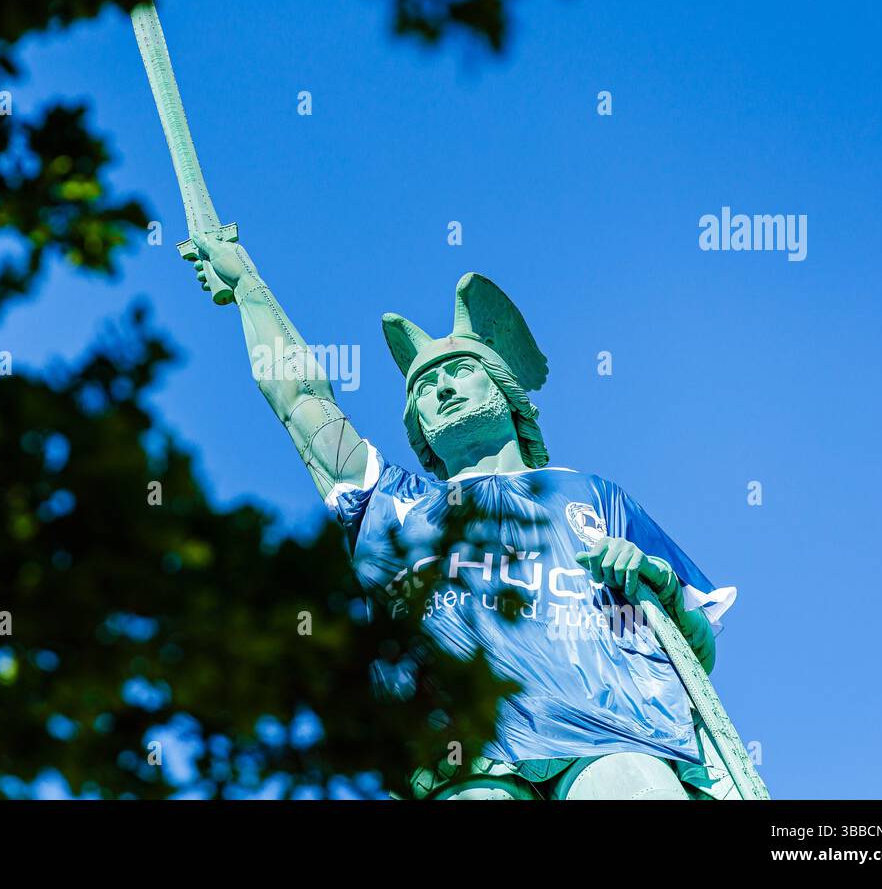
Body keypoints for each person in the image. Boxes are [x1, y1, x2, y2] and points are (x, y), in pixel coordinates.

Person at [188, 234, 740, 799]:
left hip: (613, 733)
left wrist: (661, 586)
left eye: (457, 371)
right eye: (422, 388)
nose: (441, 388)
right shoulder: (391, 506)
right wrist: (248, 289)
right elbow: (302, 401)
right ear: (418, 427)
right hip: (463, 758)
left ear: (504, 390)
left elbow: (697, 654)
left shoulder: (593, 495)